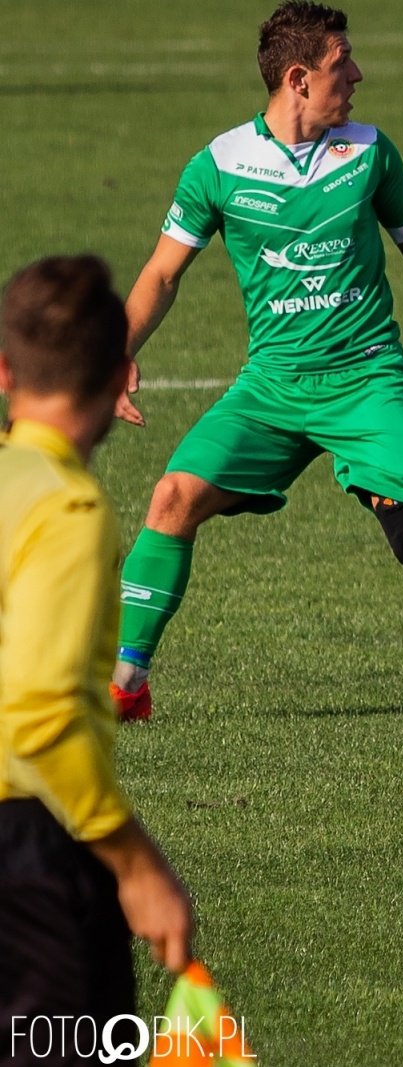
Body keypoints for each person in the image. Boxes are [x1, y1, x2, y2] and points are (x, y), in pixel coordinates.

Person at [109, 1, 403, 726]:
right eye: (341, 65)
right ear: (298, 78)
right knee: (171, 498)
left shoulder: (369, 151)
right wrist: (121, 353)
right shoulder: (219, 167)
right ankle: (126, 687)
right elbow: (163, 274)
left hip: (367, 379)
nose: (357, 75)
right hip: (271, 386)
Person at [1, 256, 193, 1057]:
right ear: (121, 376)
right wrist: (135, 863)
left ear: (5, 371)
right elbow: (39, 718)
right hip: (28, 858)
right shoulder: (67, 509)